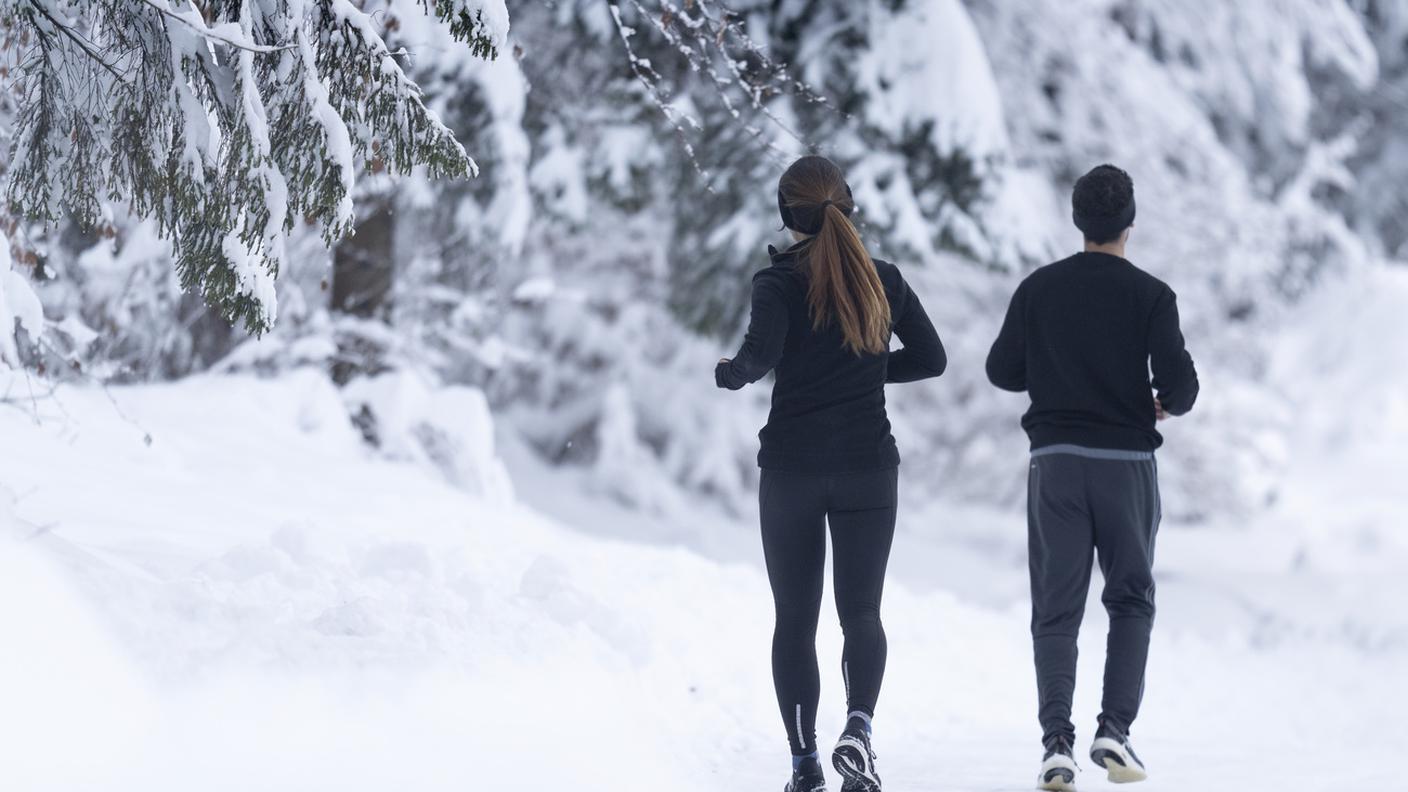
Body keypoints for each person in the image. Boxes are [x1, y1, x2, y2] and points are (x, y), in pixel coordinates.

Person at [715, 155, 946, 792]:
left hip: (791, 471)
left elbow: (757, 359)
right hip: (869, 471)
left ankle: (804, 766)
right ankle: (859, 729)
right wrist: (867, 371)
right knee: (862, 615)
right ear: (845, 206)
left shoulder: (777, 282)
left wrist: (728, 371)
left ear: (789, 216)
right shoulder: (885, 280)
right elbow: (931, 359)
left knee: (795, 617)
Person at [985, 164, 1199, 790]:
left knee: (1056, 608)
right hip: (1126, 468)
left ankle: (1056, 744)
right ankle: (1115, 731)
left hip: (1055, 465)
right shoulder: (1152, 295)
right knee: (1130, 599)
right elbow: (1181, 388)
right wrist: (1159, 399)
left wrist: (1054, 371)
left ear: (1077, 220)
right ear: (1130, 222)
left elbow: (1002, 371)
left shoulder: (1038, 289)